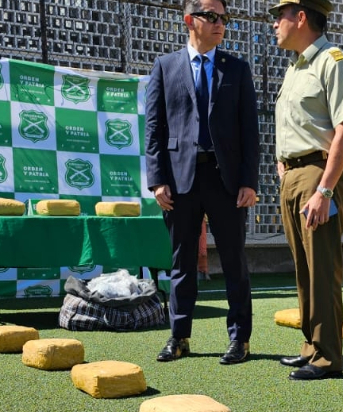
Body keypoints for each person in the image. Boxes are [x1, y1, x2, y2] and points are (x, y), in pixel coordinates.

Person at [145, 0, 259, 364]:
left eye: (223, 17)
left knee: (234, 261)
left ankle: (239, 339)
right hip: (180, 180)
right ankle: (179, 336)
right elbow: (154, 128)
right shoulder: (165, 66)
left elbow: (250, 130)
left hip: (226, 180)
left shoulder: (237, 69)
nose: (219, 23)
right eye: (210, 16)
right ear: (189, 20)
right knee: (181, 262)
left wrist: (249, 181)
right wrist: (157, 180)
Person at [269, 0, 343, 380]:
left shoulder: (332, 62)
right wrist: (283, 167)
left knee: (321, 269)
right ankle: (311, 346)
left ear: (301, 17)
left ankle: (327, 357)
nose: (275, 23)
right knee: (304, 269)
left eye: (280, 15)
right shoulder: (295, 68)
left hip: (319, 176)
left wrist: (324, 191)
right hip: (293, 176)